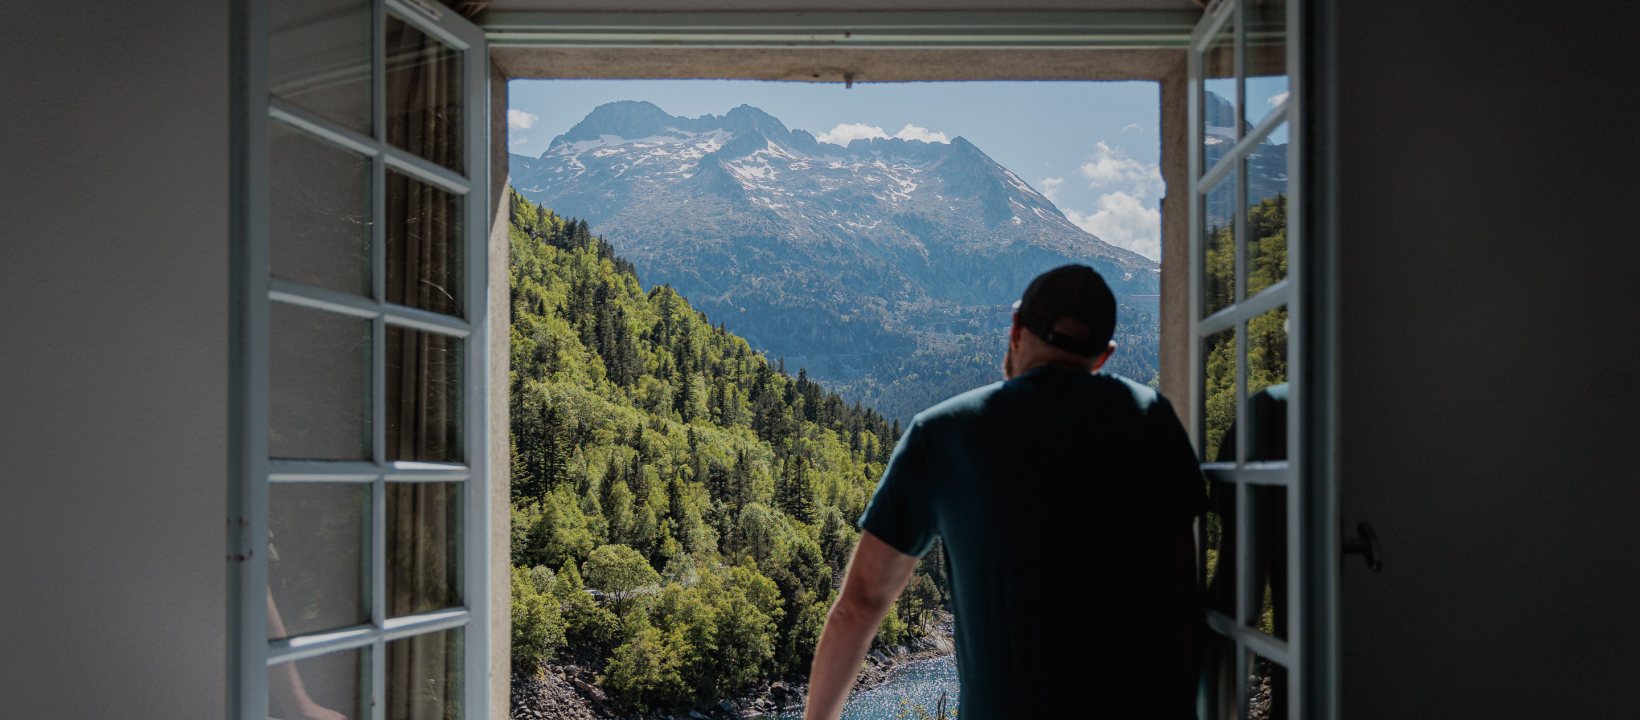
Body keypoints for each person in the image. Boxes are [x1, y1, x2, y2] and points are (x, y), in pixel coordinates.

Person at [803, 264, 1208, 719]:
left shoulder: (942, 434)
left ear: (1016, 331)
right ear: (1103, 356)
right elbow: (1183, 602)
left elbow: (859, 604)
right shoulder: (1151, 419)